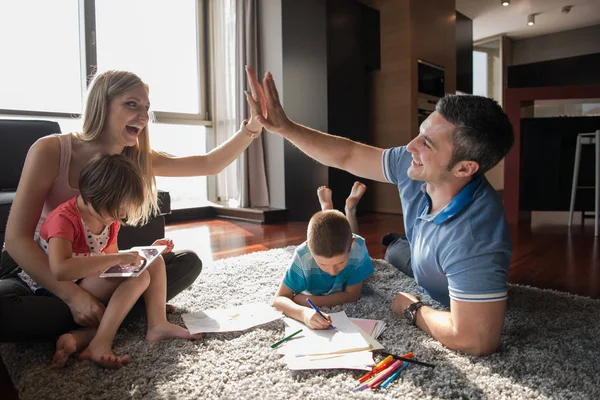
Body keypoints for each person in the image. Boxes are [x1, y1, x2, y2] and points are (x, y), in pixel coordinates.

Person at [247, 67, 514, 356]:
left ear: (464, 168)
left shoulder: (474, 238)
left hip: (440, 267)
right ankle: (397, 242)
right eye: (420, 133)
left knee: (404, 258)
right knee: (392, 252)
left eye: (427, 143)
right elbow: (348, 154)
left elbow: (476, 340)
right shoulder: (414, 164)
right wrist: (286, 127)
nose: (411, 145)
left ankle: (402, 245)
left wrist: (413, 308)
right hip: (419, 255)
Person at [0, 69, 263, 349]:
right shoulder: (51, 150)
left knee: (186, 262)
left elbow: (207, 164)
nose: (143, 116)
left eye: (146, 108)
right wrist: (73, 297)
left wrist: (252, 128)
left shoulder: (135, 158)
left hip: (95, 274)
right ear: (102, 104)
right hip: (36, 271)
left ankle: (101, 321)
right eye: (131, 104)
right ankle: (124, 314)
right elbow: (16, 240)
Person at [25, 154, 202, 368]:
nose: (118, 218)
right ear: (93, 196)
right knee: (139, 278)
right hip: (59, 287)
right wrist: (120, 258)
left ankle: (157, 324)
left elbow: (112, 263)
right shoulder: (64, 219)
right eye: (115, 212)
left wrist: (147, 252)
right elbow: (60, 270)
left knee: (152, 264)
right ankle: (99, 342)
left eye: (122, 212)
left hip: (87, 278)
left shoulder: (109, 220)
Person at [273, 182, 374, 329]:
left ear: (351, 246)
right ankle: (327, 209)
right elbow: (279, 299)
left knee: (352, 235)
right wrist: (303, 314)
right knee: (334, 230)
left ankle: (349, 210)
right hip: (340, 243)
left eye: (340, 263)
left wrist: (309, 299)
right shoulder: (303, 256)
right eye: (323, 264)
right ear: (309, 248)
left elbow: (352, 295)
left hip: (352, 241)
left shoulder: (356, 248)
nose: (333, 271)